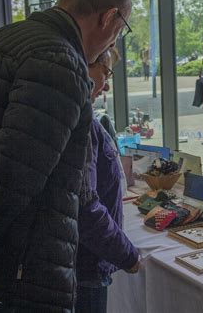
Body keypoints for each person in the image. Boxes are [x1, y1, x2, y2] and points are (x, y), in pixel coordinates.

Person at [0, 0, 133, 311]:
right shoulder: (59, 60)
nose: (114, 40)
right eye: (121, 30)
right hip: (10, 278)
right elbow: (7, 180)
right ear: (109, 18)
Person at [76, 49, 139, 313]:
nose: (108, 84)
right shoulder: (83, 122)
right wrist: (127, 255)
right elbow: (85, 207)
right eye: (106, 70)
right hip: (86, 267)